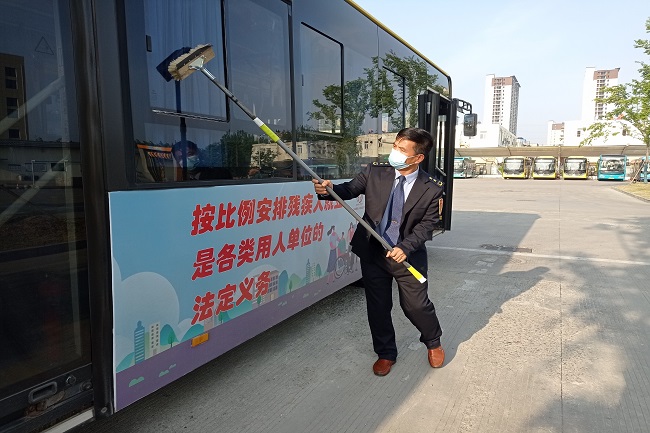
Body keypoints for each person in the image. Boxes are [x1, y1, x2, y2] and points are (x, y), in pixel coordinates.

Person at [312, 127, 445, 376]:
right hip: (374, 253)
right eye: (395, 145)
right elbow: (348, 190)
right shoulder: (376, 172)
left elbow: (427, 226)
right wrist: (328, 189)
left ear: (418, 157)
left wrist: (405, 247)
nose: (395, 152)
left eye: (402, 149)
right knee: (378, 306)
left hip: (408, 256)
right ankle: (385, 353)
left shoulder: (431, 187)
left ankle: (433, 341)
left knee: (416, 306)